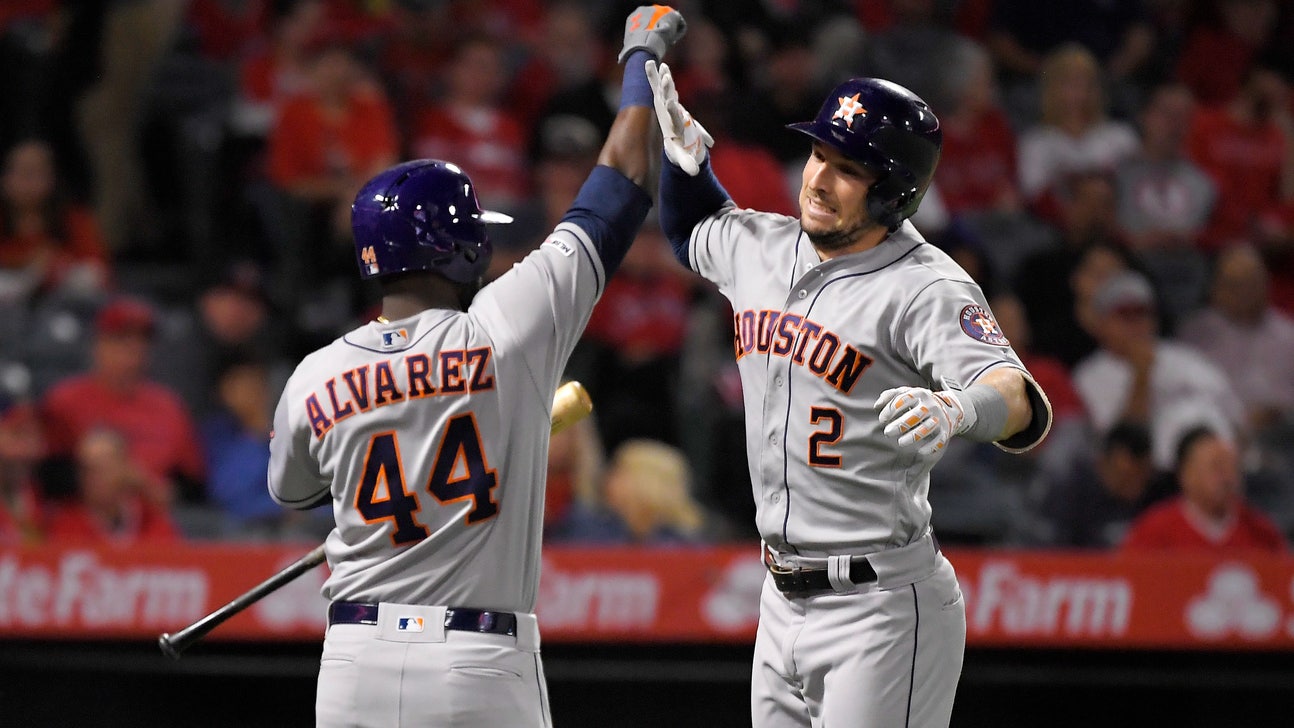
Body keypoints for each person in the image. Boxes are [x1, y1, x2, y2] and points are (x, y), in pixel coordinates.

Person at [267, 7, 686, 726]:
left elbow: (296, 494)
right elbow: (620, 180)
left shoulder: (313, 375)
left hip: (353, 664)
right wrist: (641, 56)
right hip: (475, 663)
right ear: (461, 253)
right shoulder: (509, 324)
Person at [646, 64, 1053, 727]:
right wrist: (686, 166)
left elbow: (1019, 399)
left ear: (893, 191)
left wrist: (958, 409)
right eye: (818, 154)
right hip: (779, 599)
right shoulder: (766, 246)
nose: (817, 179)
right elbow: (692, 229)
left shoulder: (925, 286)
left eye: (848, 169)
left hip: (881, 607)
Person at [1072, 269, 1245, 471]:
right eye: (1125, 315)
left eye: (1142, 313)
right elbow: (1124, 445)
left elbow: (1237, 419)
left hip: (1221, 464)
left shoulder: (1186, 358)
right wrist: (1141, 375)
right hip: (1155, 478)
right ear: (1101, 323)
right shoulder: (1090, 376)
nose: (1136, 324)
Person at [1121, 426, 1288, 552]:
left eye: (1232, 467)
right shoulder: (1154, 531)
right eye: (1217, 467)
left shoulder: (1262, 532)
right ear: (1187, 474)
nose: (1227, 477)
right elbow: (1130, 581)